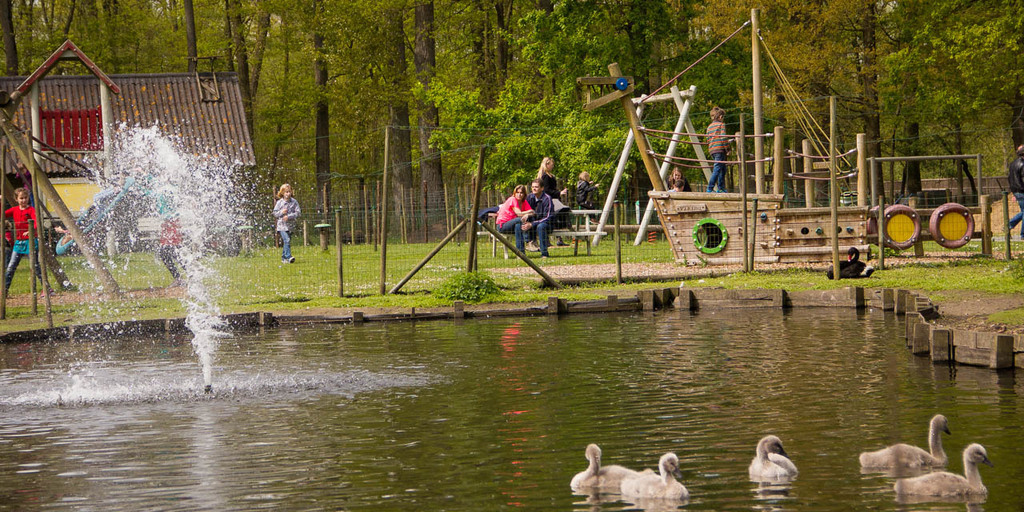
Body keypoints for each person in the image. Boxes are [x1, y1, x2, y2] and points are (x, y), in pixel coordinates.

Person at [3, 187, 47, 293]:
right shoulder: (14, 210)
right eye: (21, 198)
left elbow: (36, 222)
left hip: (30, 241)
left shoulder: (31, 210)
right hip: (19, 242)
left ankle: (46, 288)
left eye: (25, 198)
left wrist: (31, 230)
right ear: (16, 199)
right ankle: (5, 289)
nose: (23, 200)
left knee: (35, 266)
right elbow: (2, 215)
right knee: (11, 266)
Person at [537, 157, 570, 246]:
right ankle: (548, 239)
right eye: (552, 165)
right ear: (547, 165)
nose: (553, 166)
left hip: (554, 199)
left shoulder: (550, 175)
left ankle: (559, 238)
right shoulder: (545, 176)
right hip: (550, 200)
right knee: (552, 217)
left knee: (557, 217)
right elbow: (547, 190)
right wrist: (559, 193)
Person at [496, 185, 534, 253]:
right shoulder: (512, 199)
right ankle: (528, 241)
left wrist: (527, 214)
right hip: (502, 226)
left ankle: (520, 253)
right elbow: (519, 213)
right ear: (514, 193)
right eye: (517, 192)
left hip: (514, 225)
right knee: (519, 219)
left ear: (524, 194)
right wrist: (528, 212)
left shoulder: (524, 202)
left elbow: (533, 213)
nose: (519, 194)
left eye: (521, 193)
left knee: (518, 225)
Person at [525, 179, 554, 258]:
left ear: (542, 188)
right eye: (533, 187)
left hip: (547, 224)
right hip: (533, 223)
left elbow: (548, 217)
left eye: (536, 187)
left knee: (541, 226)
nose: (534, 189)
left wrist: (533, 224)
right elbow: (525, 210)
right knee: (520, 223)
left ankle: (544, 253)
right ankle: (527, 245)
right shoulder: (529, 197)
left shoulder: (547, 199)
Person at [273, 184, 301, 264]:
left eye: (289, 192)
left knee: (287, 242)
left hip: (290, 226)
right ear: (282, 193)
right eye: (286, 192)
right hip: (282, 226)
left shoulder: (294, 202)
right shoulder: (279, 203)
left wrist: (289, 216)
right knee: (287, 240)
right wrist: (281, 212)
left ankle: (283, 258)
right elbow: (275, 213)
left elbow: (298, 213)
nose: (288, 194)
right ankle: (289, 256)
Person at [706, 107, 729, 193]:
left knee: (722, 169)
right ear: (720, 117)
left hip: (712, 149)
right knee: (717, 169)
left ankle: (721, 187)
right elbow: (723, 137)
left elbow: (708, 139)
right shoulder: (721, 125)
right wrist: (728, 149)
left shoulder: (709, 127)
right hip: (720, 149)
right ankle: (710, 187)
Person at [1007, 144, 1024, 239]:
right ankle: (1022, 234)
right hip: (1022, 191)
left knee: (1023, 212)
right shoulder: (1023, 164)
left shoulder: (1013, 164)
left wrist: (1013, 193)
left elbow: (1009, 178)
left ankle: (1009, 225)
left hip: (1016, 191)